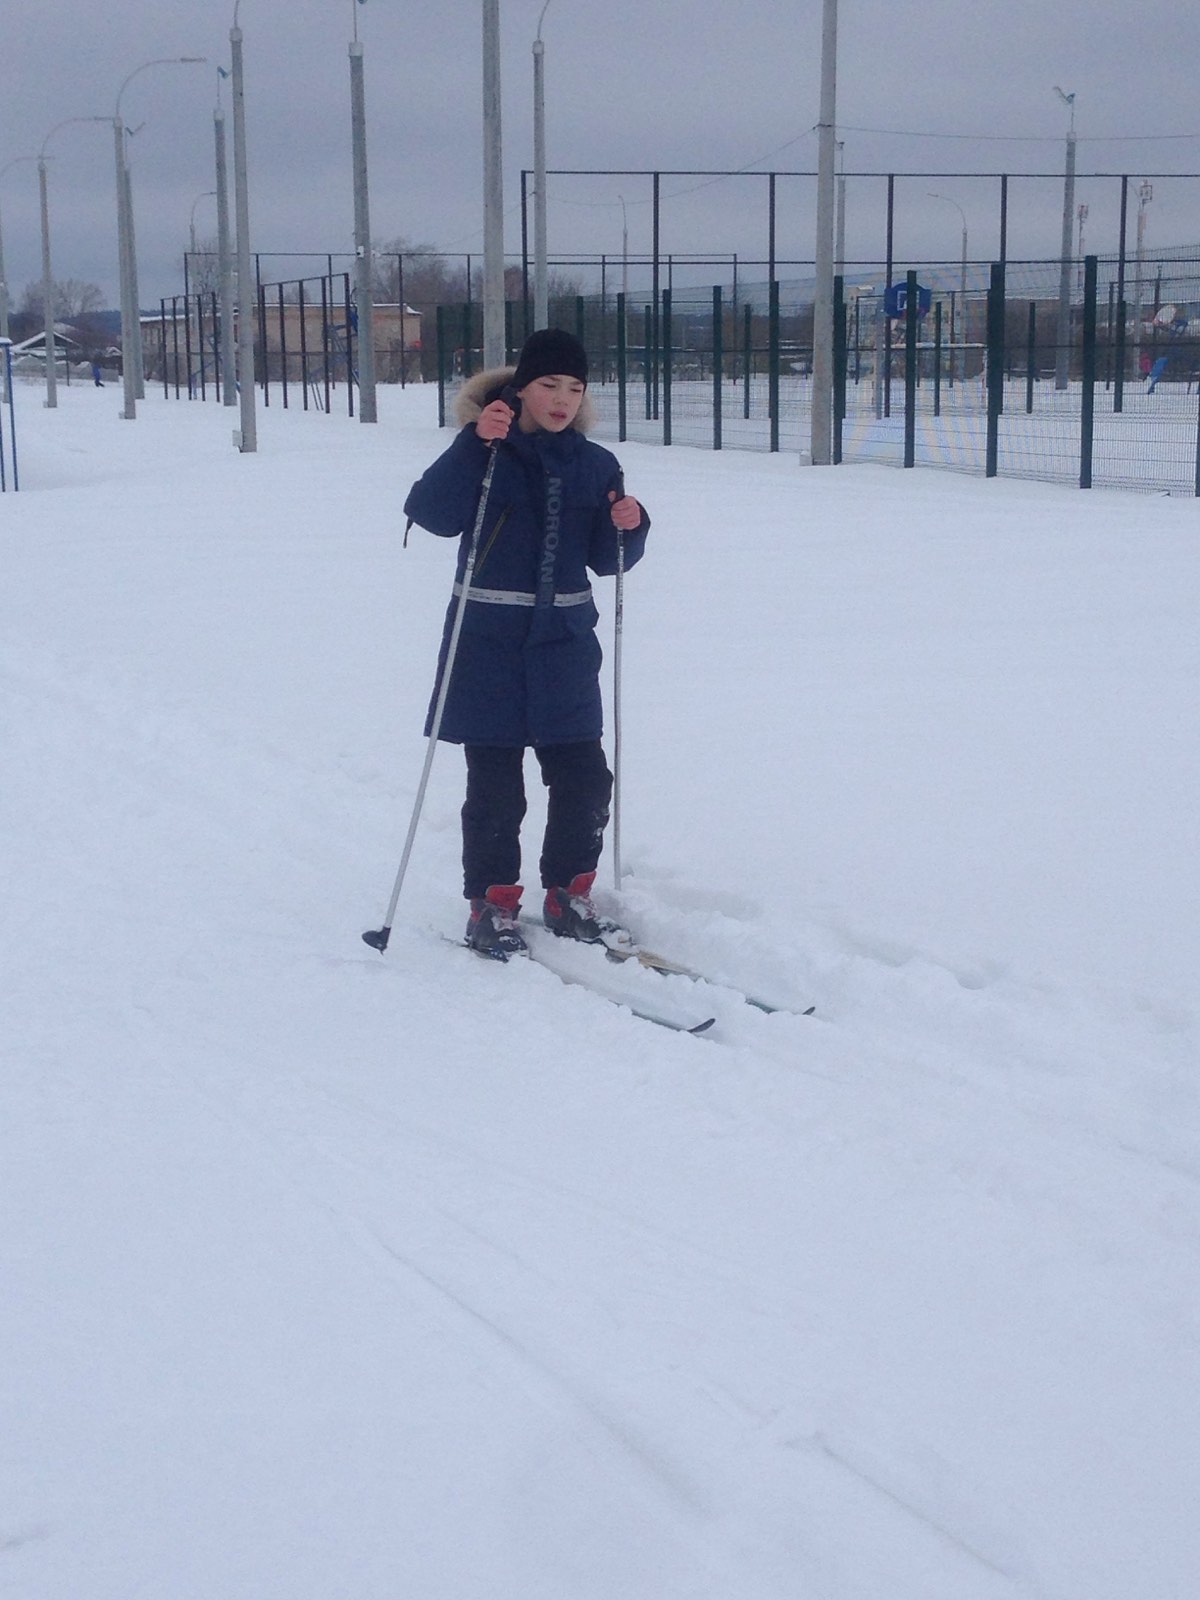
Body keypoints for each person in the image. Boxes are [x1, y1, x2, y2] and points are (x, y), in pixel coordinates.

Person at [403, 328, 650, 959]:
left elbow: (605, 558)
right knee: (496, 790)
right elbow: (430, 513)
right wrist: (472, 444)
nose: (563, 399)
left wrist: (634, 526)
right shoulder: (486, 450)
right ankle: (491, 904)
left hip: (564, 648)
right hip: (488, 646)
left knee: (587, 779)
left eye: (575, 387)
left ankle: (569, 892)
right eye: (549, 385)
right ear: (521, 387)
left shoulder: (596, 465)